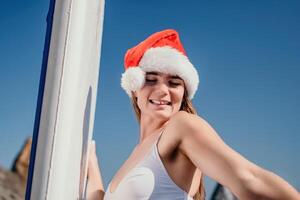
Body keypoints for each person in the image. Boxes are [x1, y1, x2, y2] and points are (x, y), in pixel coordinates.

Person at [86, 29, 300, 200]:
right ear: (134, 88)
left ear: (184, 92)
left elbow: (250, 180)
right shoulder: (135, 154)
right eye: (151, 79)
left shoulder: (181, 126)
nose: (163, 90)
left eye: (174, 83)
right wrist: (91, 163)